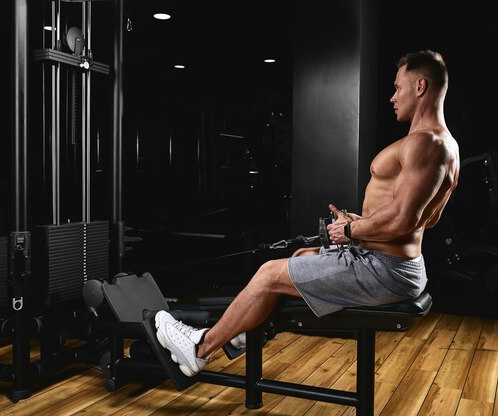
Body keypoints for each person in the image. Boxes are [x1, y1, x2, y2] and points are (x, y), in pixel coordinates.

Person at [154, 49, 460, 377]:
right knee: (301, 255)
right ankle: (240, 331)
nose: (392, 97)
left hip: (384, 270)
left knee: (268, 274)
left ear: (420, 87)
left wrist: (350, 232)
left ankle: (199, 348)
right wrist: (364, 224)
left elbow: (404, 220)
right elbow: (429, 219)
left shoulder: (425, 143)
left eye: (398, 88)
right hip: (394, 265)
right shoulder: (446, 145)